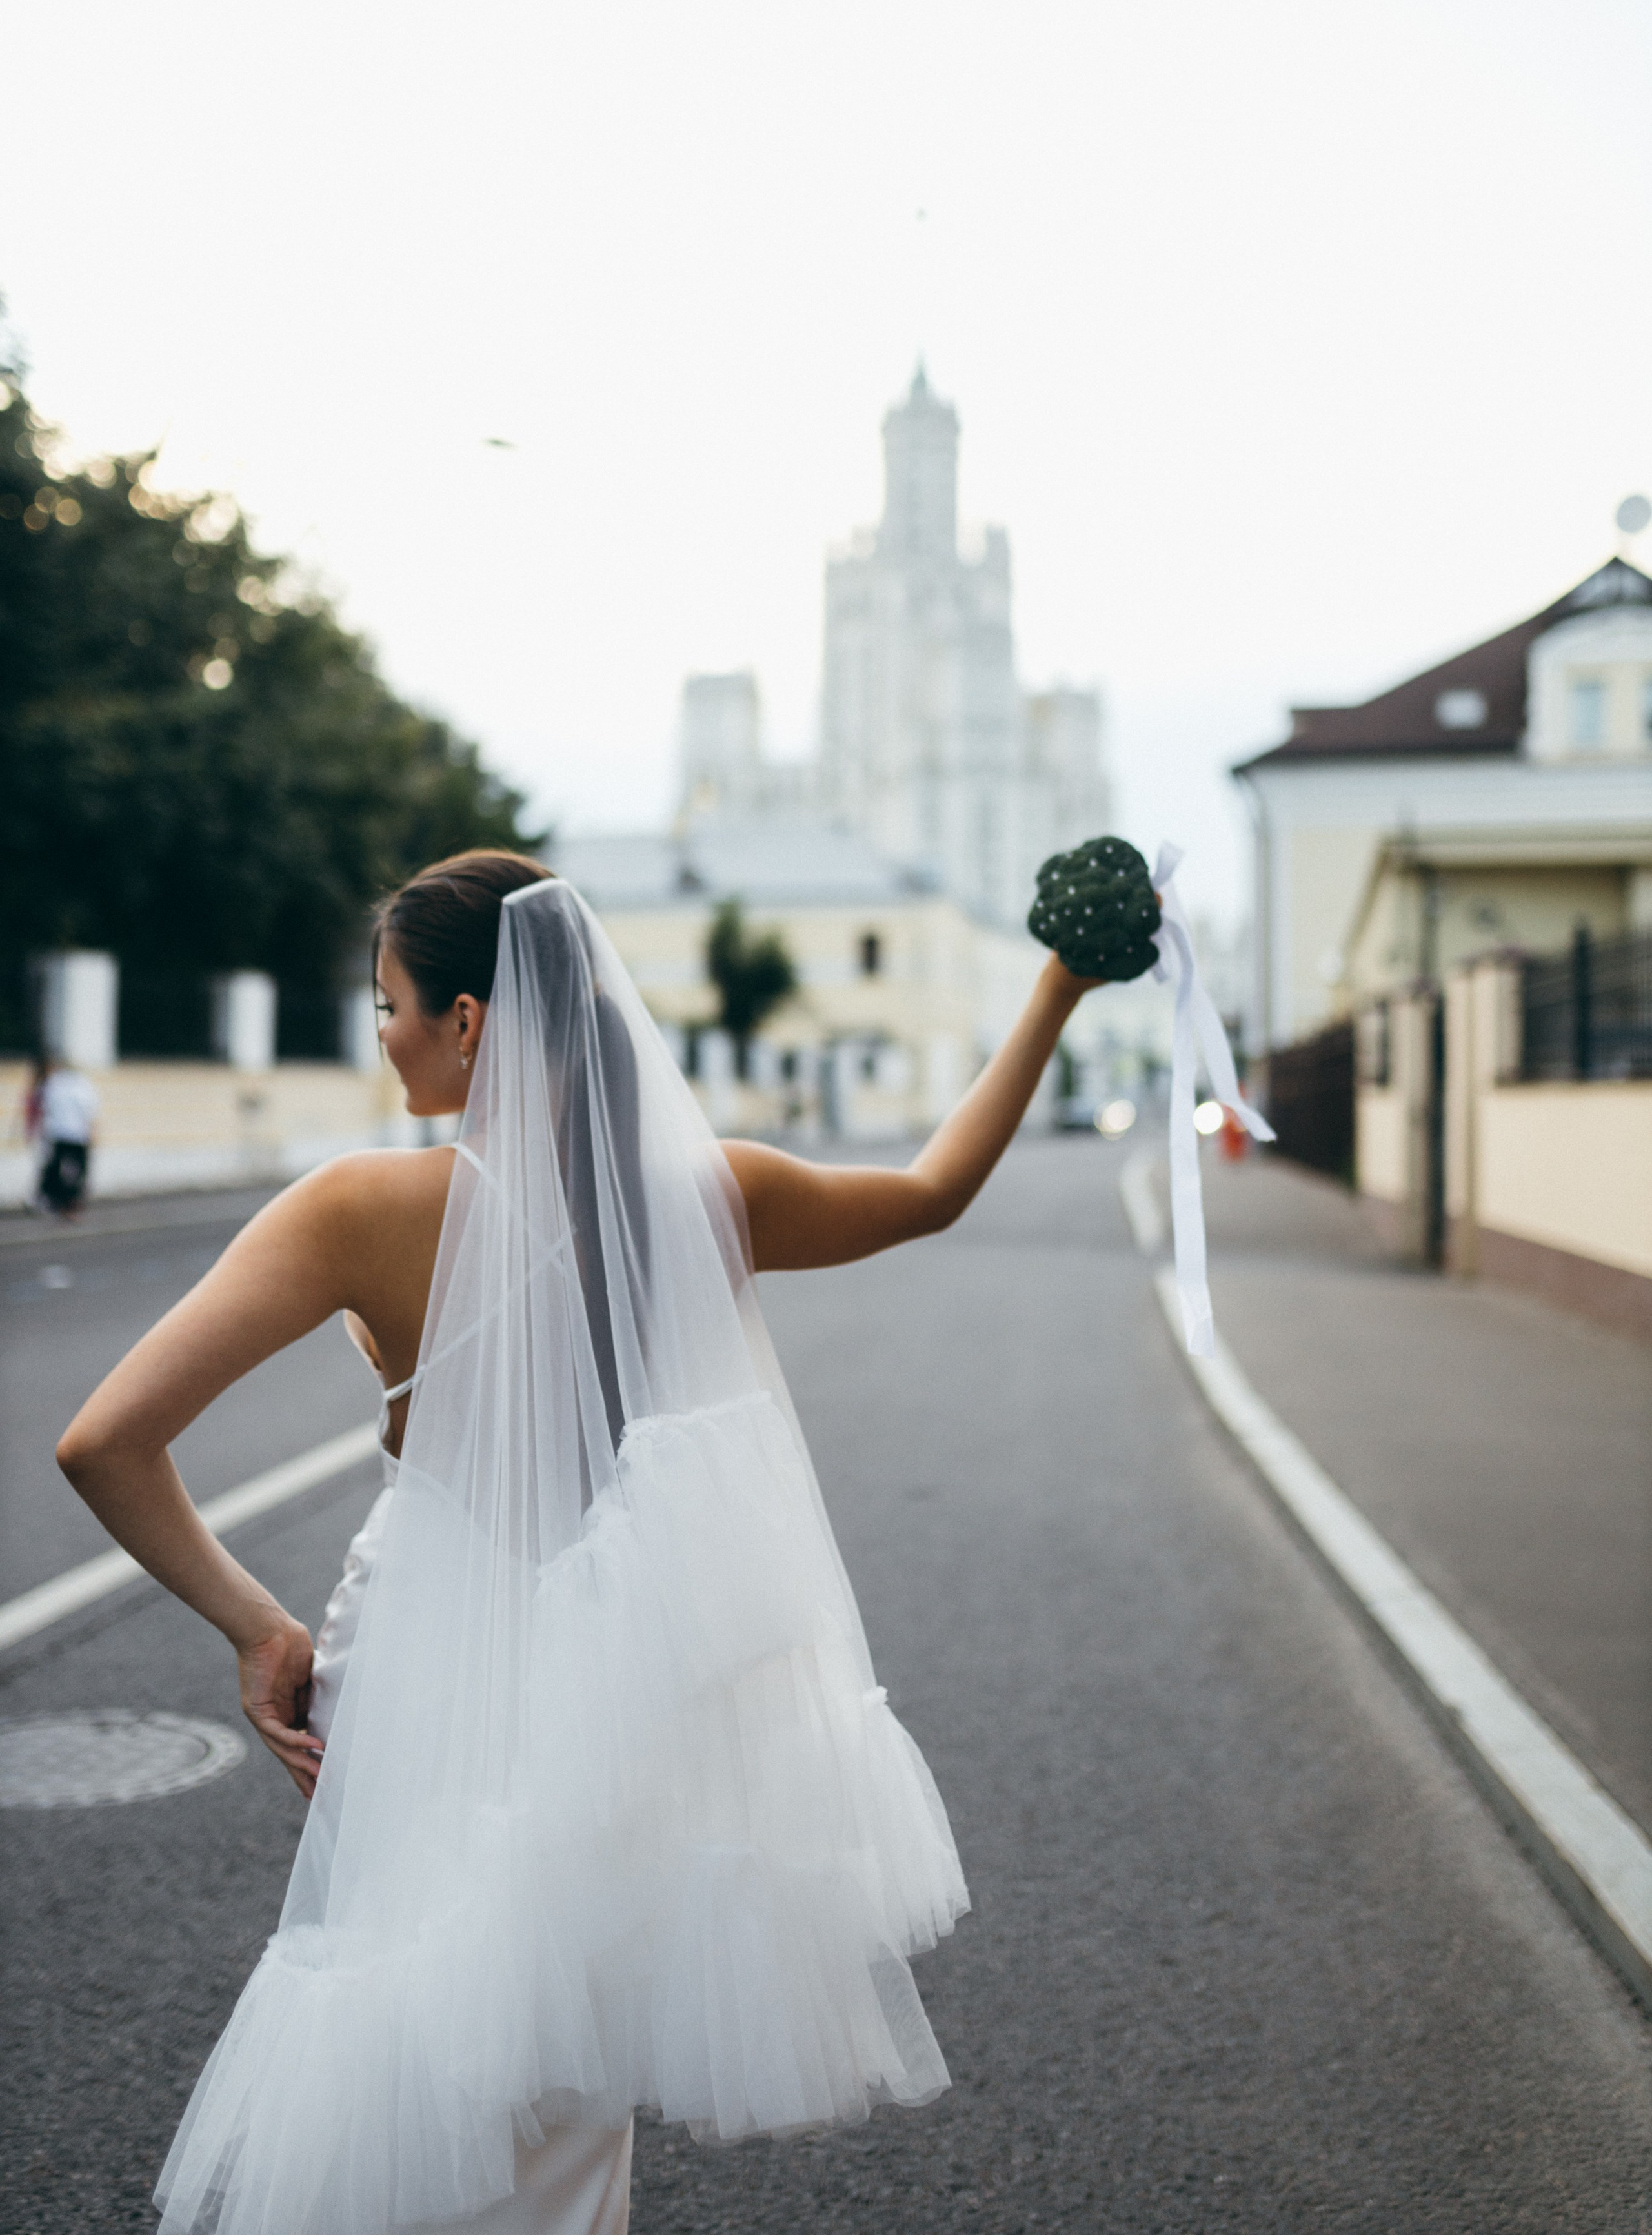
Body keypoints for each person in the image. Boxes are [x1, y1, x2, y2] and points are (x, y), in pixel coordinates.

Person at [56, 851, 1109, 2235]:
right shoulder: (705, 1194)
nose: (381, 1036)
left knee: (407, 2024)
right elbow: (930, 1192)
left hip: (427, 1671)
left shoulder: (353, 1213)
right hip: (618, 1685)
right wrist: (1058, 983)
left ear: (471, 1022)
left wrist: (258, 1629)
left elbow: (103, 1444)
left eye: (389, 1006)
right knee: (565, 2063)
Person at [35, 1051, 99, 1218]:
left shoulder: (54, 1083)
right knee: (78, 1170)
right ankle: (71, 1201)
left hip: (59, 1133)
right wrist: (93, 1132)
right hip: (78, 1134)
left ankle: (56, 1200)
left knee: (56, 1167)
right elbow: (90, 1111)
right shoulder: (84, 1084)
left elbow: (45, 1107)